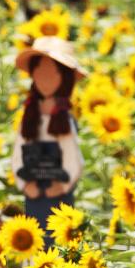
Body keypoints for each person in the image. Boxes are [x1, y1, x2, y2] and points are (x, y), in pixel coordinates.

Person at [11, 36, 85, 233]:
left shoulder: (63, 119)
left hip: (58, 190)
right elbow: (19, 151)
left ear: (65, 78)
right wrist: (25, 184)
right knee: (34, 236)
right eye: (40, 73)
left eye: (52, 74)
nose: (45, 79)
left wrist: (62, 186)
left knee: (59, 237)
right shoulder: (29, 115)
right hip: (33, 187)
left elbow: (73, 156)